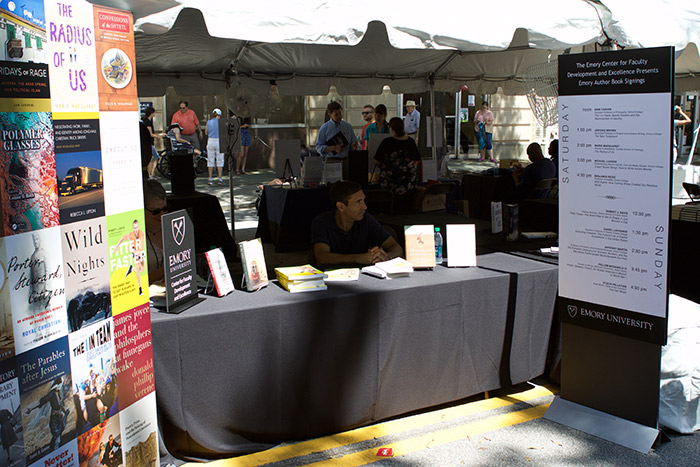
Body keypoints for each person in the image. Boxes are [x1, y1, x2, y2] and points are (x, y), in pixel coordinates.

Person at [311, 181, 402, 268]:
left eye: (363, 200)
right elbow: (322, 257)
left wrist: (385, 257)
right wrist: (358, 258)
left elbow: (396, 248)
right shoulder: (322, 223)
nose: (365, 207)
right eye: (358, 202)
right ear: (341, 207)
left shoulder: (366, 220)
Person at [374, 117, 421, 211]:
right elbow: (417, 159)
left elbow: (377, 160)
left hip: (390, 185)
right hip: (408, 185)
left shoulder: (387, 142)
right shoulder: (411, 142)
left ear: (391, 128)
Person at [25, 376, 69, 452]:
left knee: (59, 433)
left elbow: (60, 406)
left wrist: (65, 412)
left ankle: (58, 448)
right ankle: (54, 449)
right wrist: (31, 408)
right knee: (56, 434)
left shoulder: (58, 393)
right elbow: (42, 401)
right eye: (60, 384)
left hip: (60, 416)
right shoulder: (52, 394)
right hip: (54, 418)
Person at [112, 219, 146, 296]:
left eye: (137, 227)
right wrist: (116, 247)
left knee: (142, 269)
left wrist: (140, 252)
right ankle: (140, 289)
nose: (136, 229)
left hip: (141, 252)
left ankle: (131, 269)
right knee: (138, 269)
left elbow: (142, 244)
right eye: (134, 228)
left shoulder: (141, 233)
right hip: (135, 252)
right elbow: (122, 239)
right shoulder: (131, 235)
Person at [143, 179, 167, 283]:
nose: (162, 214)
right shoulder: (135, 238)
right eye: (155, 211)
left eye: (165, 208)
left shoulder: (170, 228)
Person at [142, 107, 164, 180]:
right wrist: (159, 136)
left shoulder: (145, 121)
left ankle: (150, 174)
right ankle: (151, 174)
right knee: (156, 157)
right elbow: (150, 134)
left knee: (150, 158)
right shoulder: (148, 122)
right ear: (151, 113)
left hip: (148, 142)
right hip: (150, 143)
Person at [206, 108, 225, 185]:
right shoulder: (221, 123)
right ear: (219, 115)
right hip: (219, 141)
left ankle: (210, 178)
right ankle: (220, 178)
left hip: (210, 140)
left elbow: (206, 132)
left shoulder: (209, 122)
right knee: (220, 160)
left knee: (210, 160)